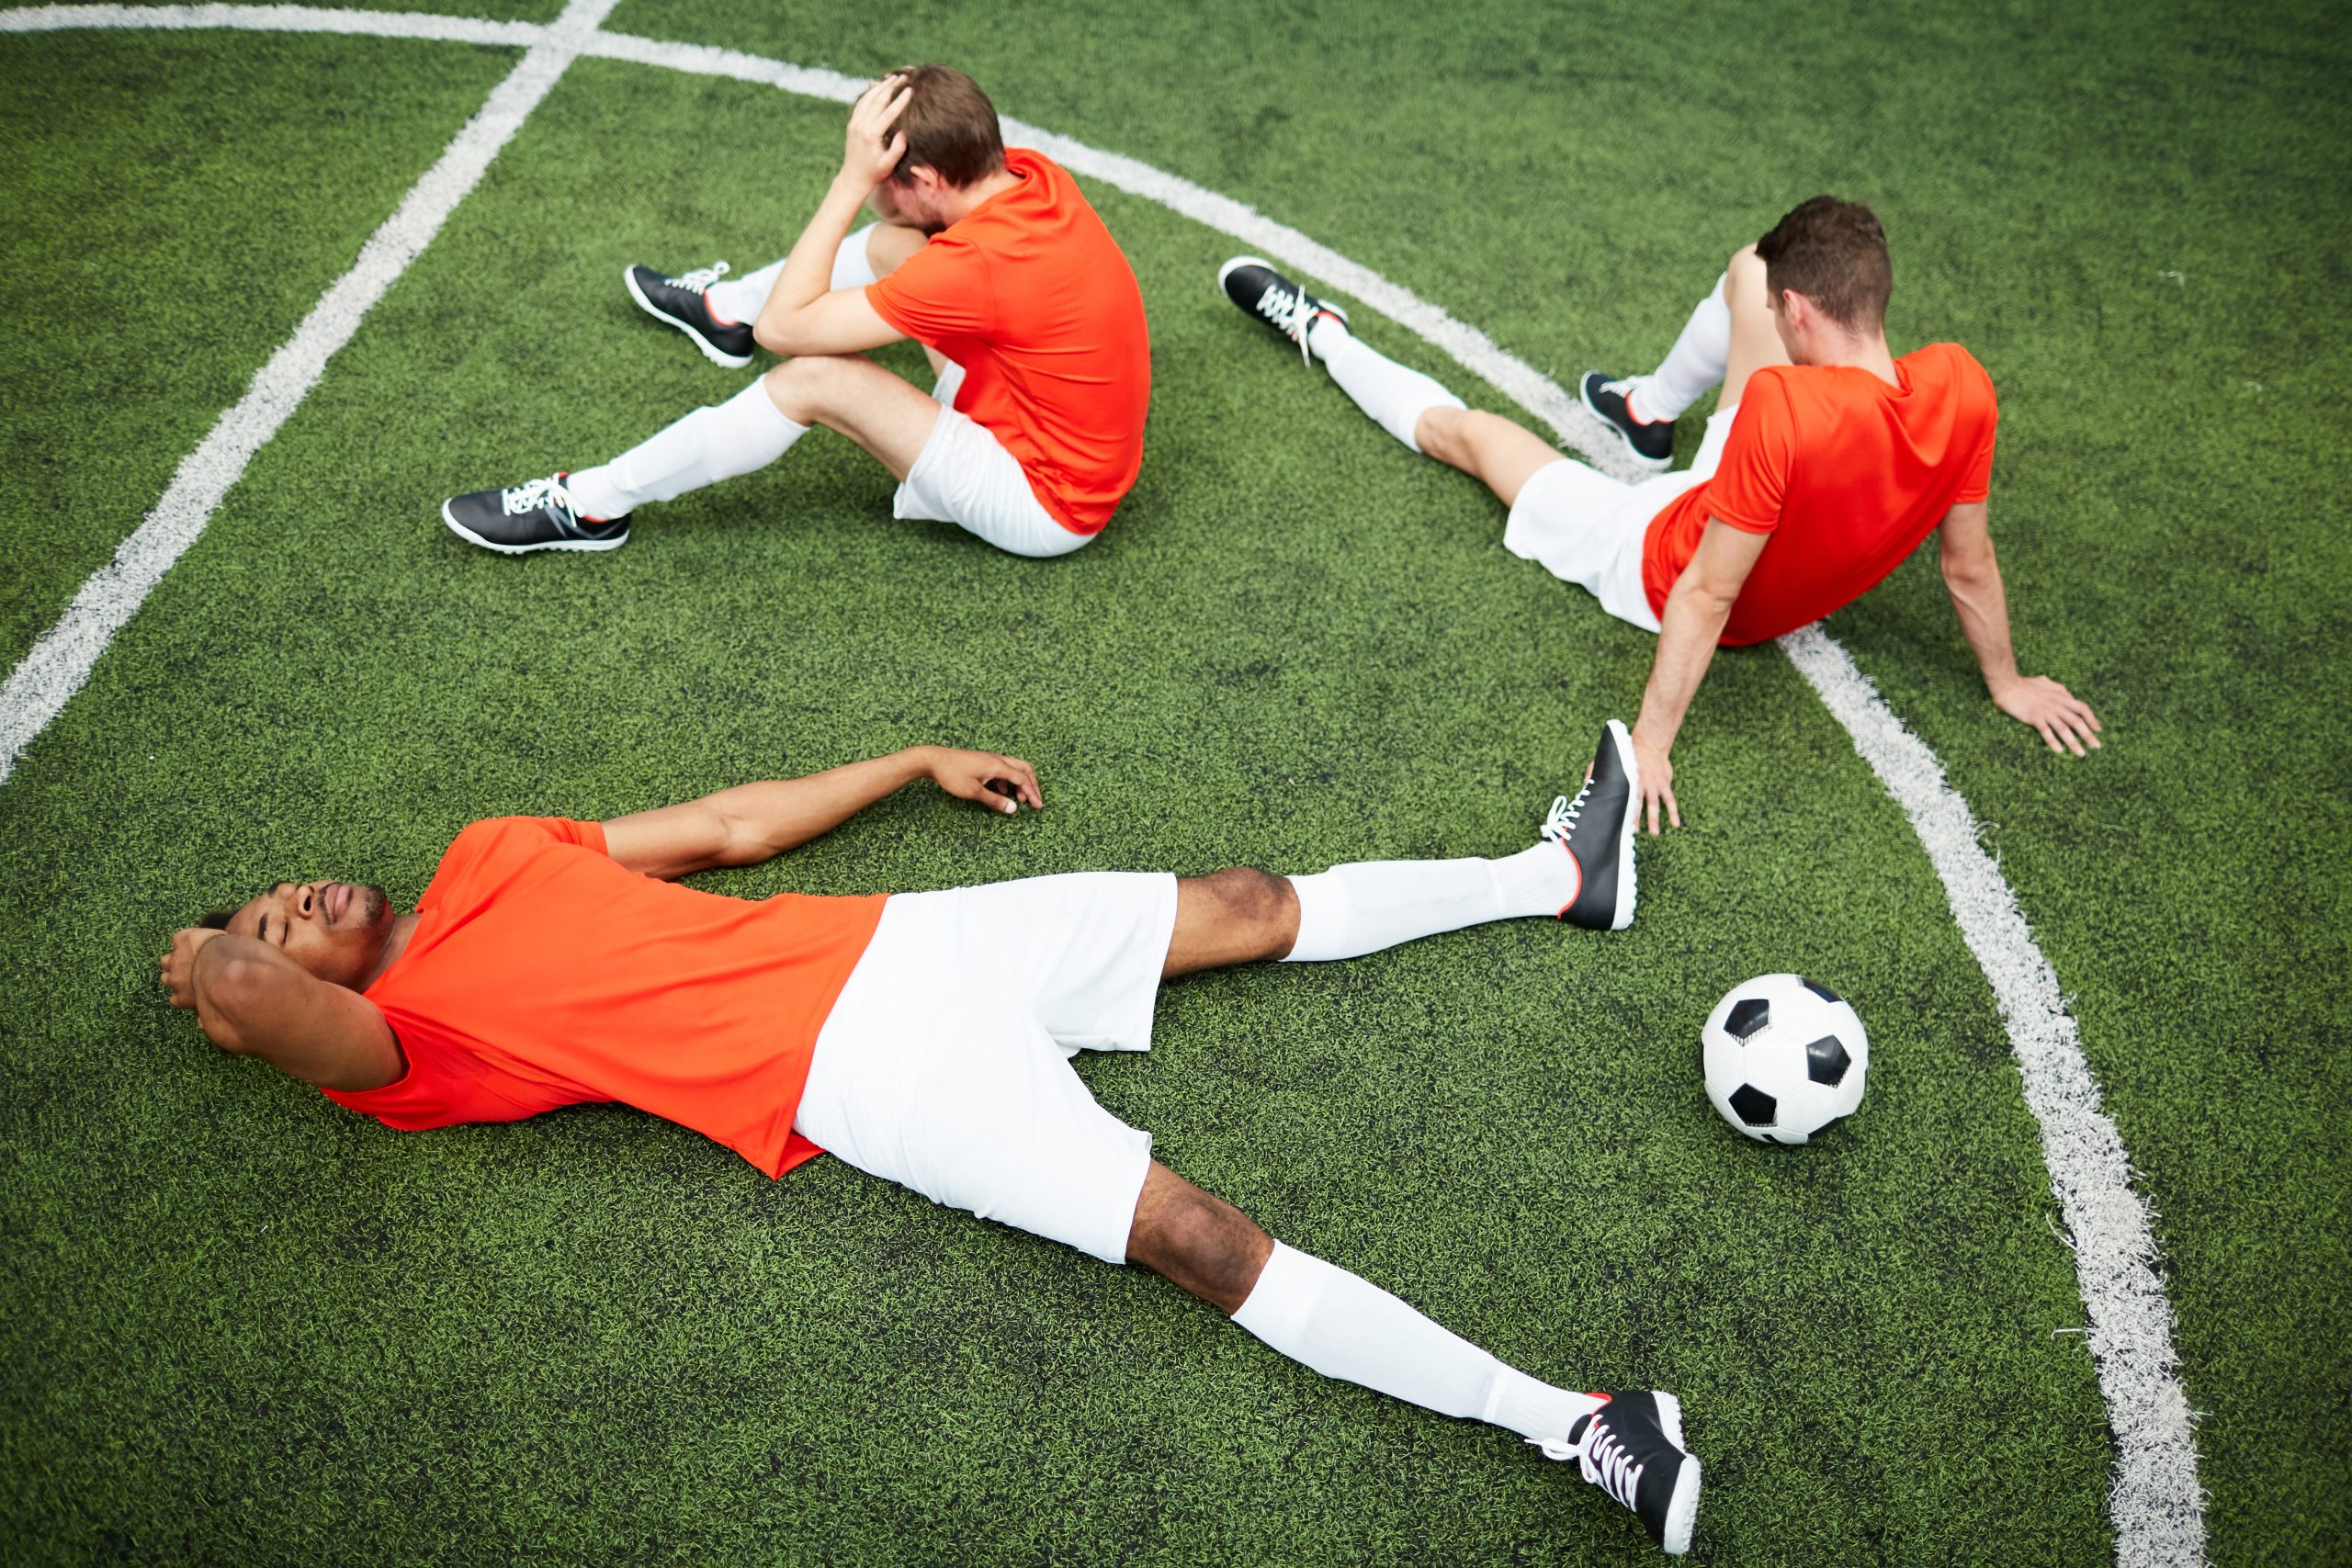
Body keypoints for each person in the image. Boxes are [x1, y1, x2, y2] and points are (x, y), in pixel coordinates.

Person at [157, 727, 1703, 1555]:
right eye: (277, 935)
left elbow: (726, 827)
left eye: (282, 891)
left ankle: (1556, 875)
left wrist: (908, 762)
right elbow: (239, 989)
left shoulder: (493, 854)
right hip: (864, 1073)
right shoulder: (405, 1050)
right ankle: (1571, 1418)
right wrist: (208, 956)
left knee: (1243, 900)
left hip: (899, 938)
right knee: (1195, 1236)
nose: (291, 909)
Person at [1218, 196, 2102, 835]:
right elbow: (1968, 565)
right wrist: (2007, 681)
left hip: (1647, 553)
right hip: (1753, 483)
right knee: (1751, 261)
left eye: (1777, 312)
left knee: (1470, 436)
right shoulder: (1961, 381)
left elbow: (1707, 594)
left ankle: (1324, 333)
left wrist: (1650, 743)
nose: (1774, 314)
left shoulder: (1785, 410)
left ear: (1800, 313)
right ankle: (1645, 410)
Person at [443, 65, 1148, 560]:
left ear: (929, 178)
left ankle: (590, 506)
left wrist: (849, 181)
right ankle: (724, 312)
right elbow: (931, 246)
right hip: (1054, 434)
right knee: (894, 242)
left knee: (815, 377)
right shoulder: (1028, 174)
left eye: (884, 178)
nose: (872, 183)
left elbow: (788, 332)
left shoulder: (972, 269)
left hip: (1046, 502)